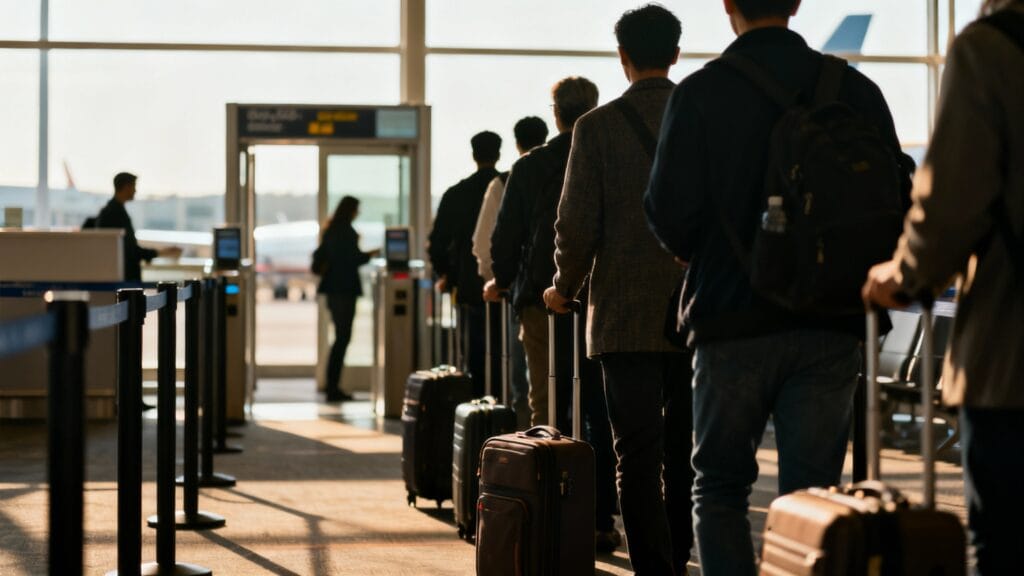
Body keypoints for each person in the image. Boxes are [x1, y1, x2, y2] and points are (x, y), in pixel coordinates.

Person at [643, 1, 914, 573]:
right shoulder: (854, 90)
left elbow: (668, 212)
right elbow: (897, 198)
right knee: (813, 497)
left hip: (730, 313)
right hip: (831, 318)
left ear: (728, 6)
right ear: (795, 4)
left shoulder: (700, 93)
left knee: (719, 487)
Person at [863, 1, 1024, 572]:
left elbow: (951, 204)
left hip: (1012, 357)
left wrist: (905, 276)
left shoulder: (992, 48)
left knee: (1006, 543)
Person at [542, 5, 692, 573]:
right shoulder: (704, 118)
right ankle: (681, 556)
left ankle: (653, 567)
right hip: (698, 310)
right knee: (686, 454)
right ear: (675, 54)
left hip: (623, 316)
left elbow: (576, 224)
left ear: (622, 56)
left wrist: (563, 287)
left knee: (635, 456)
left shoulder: (596, 127)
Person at [488, 77, 621, 553]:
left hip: (542, 302)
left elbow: (506, 236)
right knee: (600, 411)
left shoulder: (531, 165)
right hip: (601, 300)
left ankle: (548, 514)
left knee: (548, 404)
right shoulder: (611, 152)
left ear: (556, 113)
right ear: (594, 107)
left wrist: (505, 280)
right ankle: (600, 516)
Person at [473, 116, 548, 429]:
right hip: (570, 291)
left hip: (524, 291)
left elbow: (485, 244)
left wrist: (497, 281)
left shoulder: (505, 181)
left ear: (516, 144)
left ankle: (526, 436)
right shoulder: (568, 166)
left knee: (525, 374)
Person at [428, 131, 502, 396]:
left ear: (473, 155)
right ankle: (501, 403)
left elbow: (437, 242)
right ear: (498, 154)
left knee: (471, 352)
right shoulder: (506, 186)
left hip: (467, 286)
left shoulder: (456, 194)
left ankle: (475, 404)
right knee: (502, 350)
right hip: (502, 285)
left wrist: (446, 275)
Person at [313, 196, 379, 402]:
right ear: (351, 210)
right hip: (344, 290)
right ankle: (333, 387)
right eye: (357, 209)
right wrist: (371, 254)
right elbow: (352, 259)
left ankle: (332, 385)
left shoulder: (331, 229)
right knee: (343, 338)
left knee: (340, 338)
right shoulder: (346, 231)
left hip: (333, 290)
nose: (358, 213)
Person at [95, 172, 181, 282]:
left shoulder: (110, 211)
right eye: (134, 186)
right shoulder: (114, 214)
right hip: (123, 277)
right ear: (126, 187)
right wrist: (161, 252)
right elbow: (130, 250)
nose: (135, 191)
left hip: (119, 275)